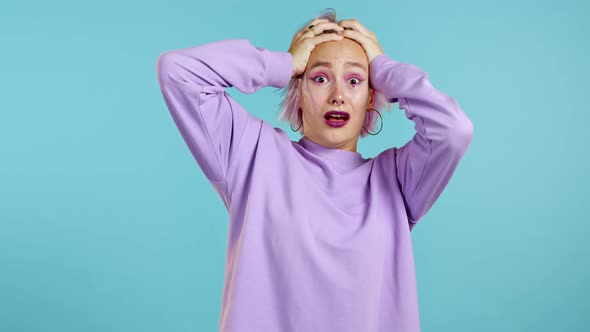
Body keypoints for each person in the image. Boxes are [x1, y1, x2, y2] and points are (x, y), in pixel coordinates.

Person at [156, 8, 473, 332]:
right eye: (320, 78)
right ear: (298, 93)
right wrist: (282, 64)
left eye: (354, 80)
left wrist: (385, 68)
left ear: (370, 97)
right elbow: (177, 72)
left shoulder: (398, 179)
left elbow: (453, 130)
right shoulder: (251, 154)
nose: (337, 96)